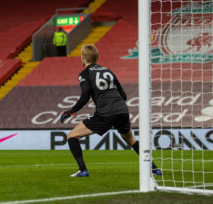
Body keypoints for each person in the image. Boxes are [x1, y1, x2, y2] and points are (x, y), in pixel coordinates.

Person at [60, 44, 162, 177]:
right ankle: (154, 169)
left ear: (83, 57)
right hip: (121, 110)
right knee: (131, 139)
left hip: (105, 112)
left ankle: (83, 170)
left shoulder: (85, 73)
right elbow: (123, 95)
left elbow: (85, 96)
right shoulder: (108, 70)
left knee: (72, 136)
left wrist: (70, 112)